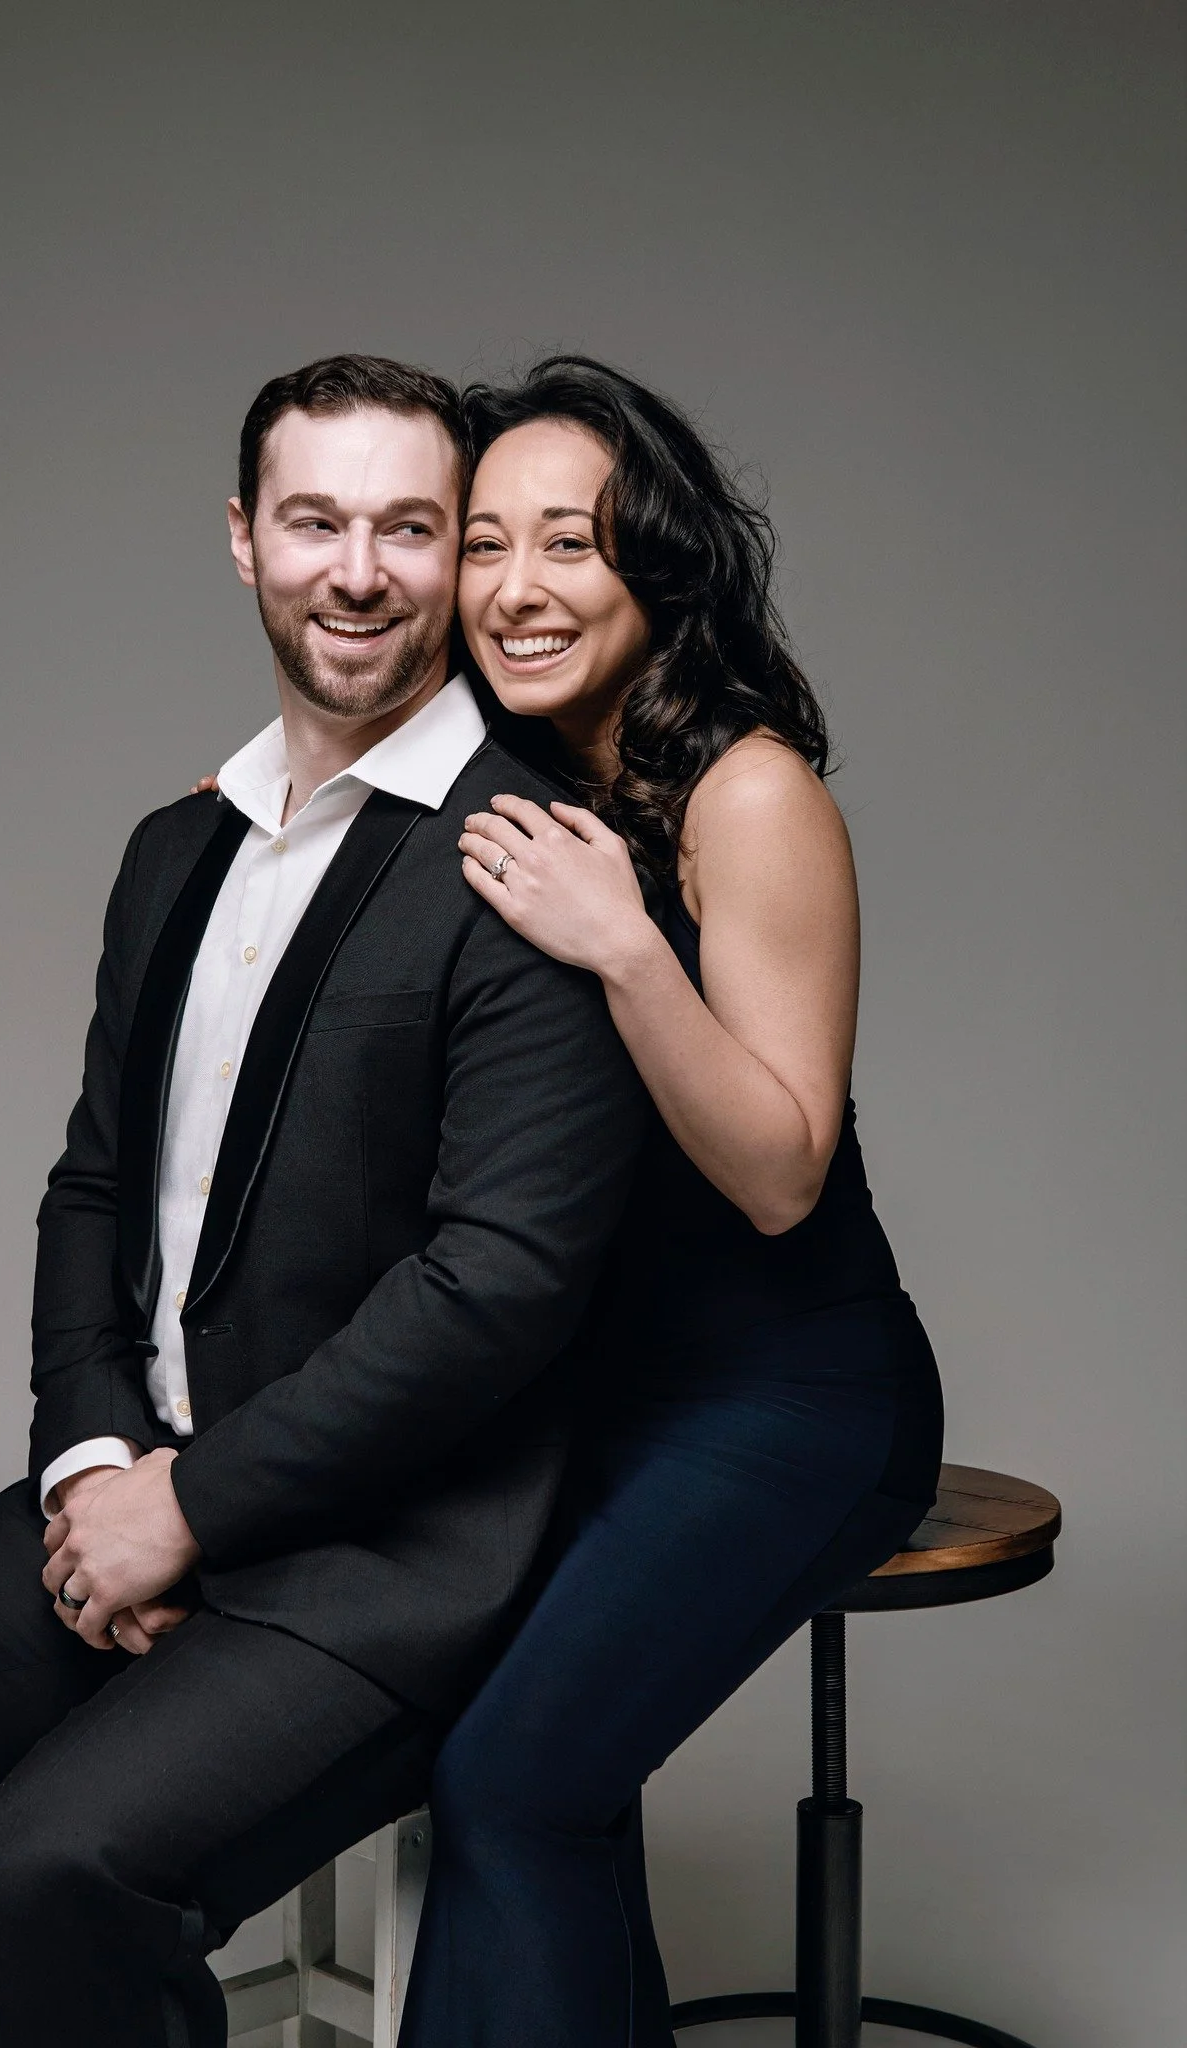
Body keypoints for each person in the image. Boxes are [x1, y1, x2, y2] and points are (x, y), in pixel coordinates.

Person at [0, 355, 649, 2048]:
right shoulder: (180, 845)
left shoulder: (529, 852)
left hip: (379, 1570)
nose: (359, 571)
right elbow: (97, 1185)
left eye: (407, 527)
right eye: (315, 522)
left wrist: (197, 1505)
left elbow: (497, 1293)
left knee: (54, 1869)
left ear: (458, 555)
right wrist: (96, 1465)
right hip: (139, 1502)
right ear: (244, 540)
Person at [398, 357, 946, 2047]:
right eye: (484, 543)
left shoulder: (746, 792)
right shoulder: (517, 779)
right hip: (602, 1399)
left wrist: (626, 942)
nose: (516, 587)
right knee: (502, 1755)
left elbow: (780, 1173)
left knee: (515, 1783)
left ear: (659, 566)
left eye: (570, 541)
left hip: (792, 1396)